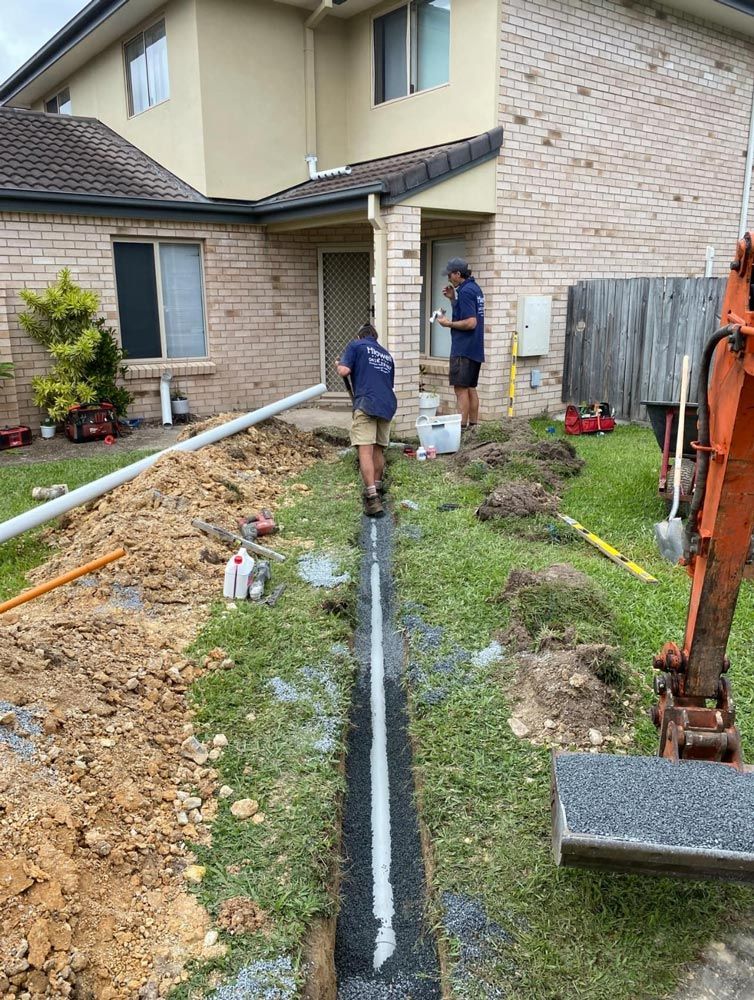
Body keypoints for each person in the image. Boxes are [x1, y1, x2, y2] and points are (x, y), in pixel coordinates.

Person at [336, 323, 397, 518]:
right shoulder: (387, 355)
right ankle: (377, 490)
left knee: (365, 448)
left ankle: (372, 499)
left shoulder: (356, 346)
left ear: (359, 336)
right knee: (378, 448)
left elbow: (344, 371)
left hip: (367, 402)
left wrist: (340, 364)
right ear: (375, 337)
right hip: (387, 404)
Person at [437, 256, 485, 428]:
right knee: (471, 387)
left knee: (460, 390)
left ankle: (461, 429)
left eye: (450, 275)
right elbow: (467, 313)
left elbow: (471, 322)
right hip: (475, 348)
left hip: (463, 349)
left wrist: (448, 323)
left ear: (458, 274)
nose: (448, 278)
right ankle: (473, 426)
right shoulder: (475, 289)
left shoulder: (465, 291)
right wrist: (452, 300)